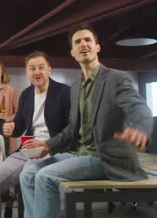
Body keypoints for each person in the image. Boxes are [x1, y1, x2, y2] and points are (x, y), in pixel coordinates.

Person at [19, 25, 153, 218]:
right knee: (27, 174)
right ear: (73, 52)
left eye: (88, 40)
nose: (83, 44)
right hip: (78, 155)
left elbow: (138, 108)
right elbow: (72, 127)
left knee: (45, 176)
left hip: (105, 158)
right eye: (78, 42)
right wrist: (47, 146)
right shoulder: (76, 88)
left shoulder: (116, 78)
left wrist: (140, 128)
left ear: (97, 47)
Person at [0, 51, 71, 218]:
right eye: (32, 68)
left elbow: (71, 129)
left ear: (49, 70)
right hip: (28, 149)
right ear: (27, 72)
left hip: (52, 149)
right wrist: (10, 128)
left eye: (41, 67)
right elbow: (19, 127)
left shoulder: (64, 92)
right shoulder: (26, 95)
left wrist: (49, 145)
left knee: (27, 175)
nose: (36, 72)